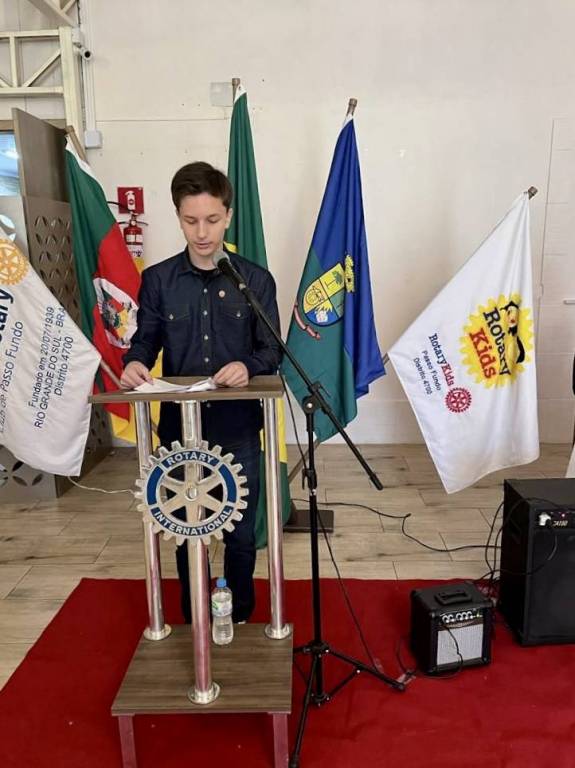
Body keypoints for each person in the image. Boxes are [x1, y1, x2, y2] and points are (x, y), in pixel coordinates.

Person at [120, 161, 282, 623]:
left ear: (228, 215)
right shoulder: (159, 280)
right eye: (191, 220)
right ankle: (194, 618)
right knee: (185, 528)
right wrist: (134, 362)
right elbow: (146, 340)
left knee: (240, 534)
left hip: (237, 427)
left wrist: (247, 366)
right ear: (178, 217)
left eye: (212, 219)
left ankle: (241, 615)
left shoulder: (254, 280)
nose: (202, 232)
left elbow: (271, 349)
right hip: (179, 430)